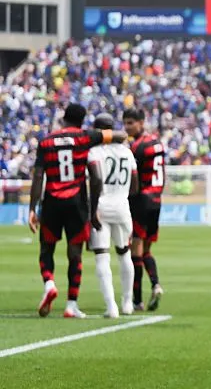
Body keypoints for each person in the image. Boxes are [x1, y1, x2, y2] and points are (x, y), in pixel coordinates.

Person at [28, 103, 128, 318]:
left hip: (52, 201)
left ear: (64, 118)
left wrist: (32, 209)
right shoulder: (85, 137)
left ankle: (49, 284)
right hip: (76, 202)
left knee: (47, 248)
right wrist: (92, 211)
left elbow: (38, 176)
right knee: (75, 254)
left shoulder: (46, 141)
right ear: (82, 121)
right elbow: (121, 137)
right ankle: (71, 304)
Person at [86, 113, 138, 318]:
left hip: (102, 206)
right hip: (122, 206)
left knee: (102, 256)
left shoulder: (94, 151)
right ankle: (127, 302)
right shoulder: (127, 152)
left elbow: (96, 179)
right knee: (125, 254)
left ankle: (111, 307)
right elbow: (135, 185)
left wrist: (93, 208)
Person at [123, 107, 166, 311]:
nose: (126, 127)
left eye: (130, 123)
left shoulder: (137, 148)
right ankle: (156, 284)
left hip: (141, 200)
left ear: (141, 122)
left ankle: (137, 300)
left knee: (136, 252)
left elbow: (133, 179)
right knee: (147, 250)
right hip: (156, 200)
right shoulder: (157, 143)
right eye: (125, 123)